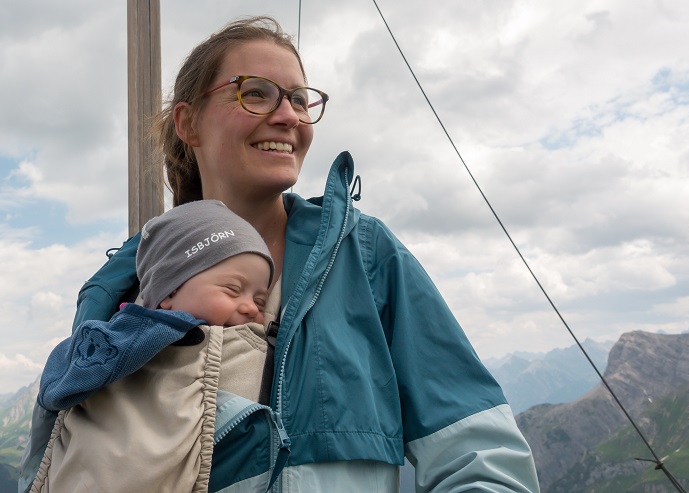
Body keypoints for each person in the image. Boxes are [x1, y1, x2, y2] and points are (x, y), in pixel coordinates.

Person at [21, 15, 541, 493]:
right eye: (257, 93)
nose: (288, 116)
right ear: (189, 123)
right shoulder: (121, 285)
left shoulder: (364, 258)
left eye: (298, 98)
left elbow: (483, 462)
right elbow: (58, 464)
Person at [31, 200, 288, 492]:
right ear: (170, 291)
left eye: (259, 301)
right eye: (233, 289)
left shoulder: (252, 349)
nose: (248, 308)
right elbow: (57, 387)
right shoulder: (132, 335)